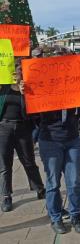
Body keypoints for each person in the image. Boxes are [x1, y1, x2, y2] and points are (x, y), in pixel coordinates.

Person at [32, 48, 80, 234]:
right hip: (50, 140)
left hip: (71, 138)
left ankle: (75, 215)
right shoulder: (41, 84)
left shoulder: (74, 83)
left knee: (74, 182)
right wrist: (26, 90)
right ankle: (55, 217)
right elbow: (28, 111)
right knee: (53, 183)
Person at [0, 61, 45, 213]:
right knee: (5, 165)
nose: (16, 73)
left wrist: (24, 93)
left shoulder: (26, 88)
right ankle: (6, 196)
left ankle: (39, 187)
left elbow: (32, 112)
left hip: (23, 128)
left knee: (29, 161)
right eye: (14, 70)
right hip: (4, 128)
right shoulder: (3, 88)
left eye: (19, 70)